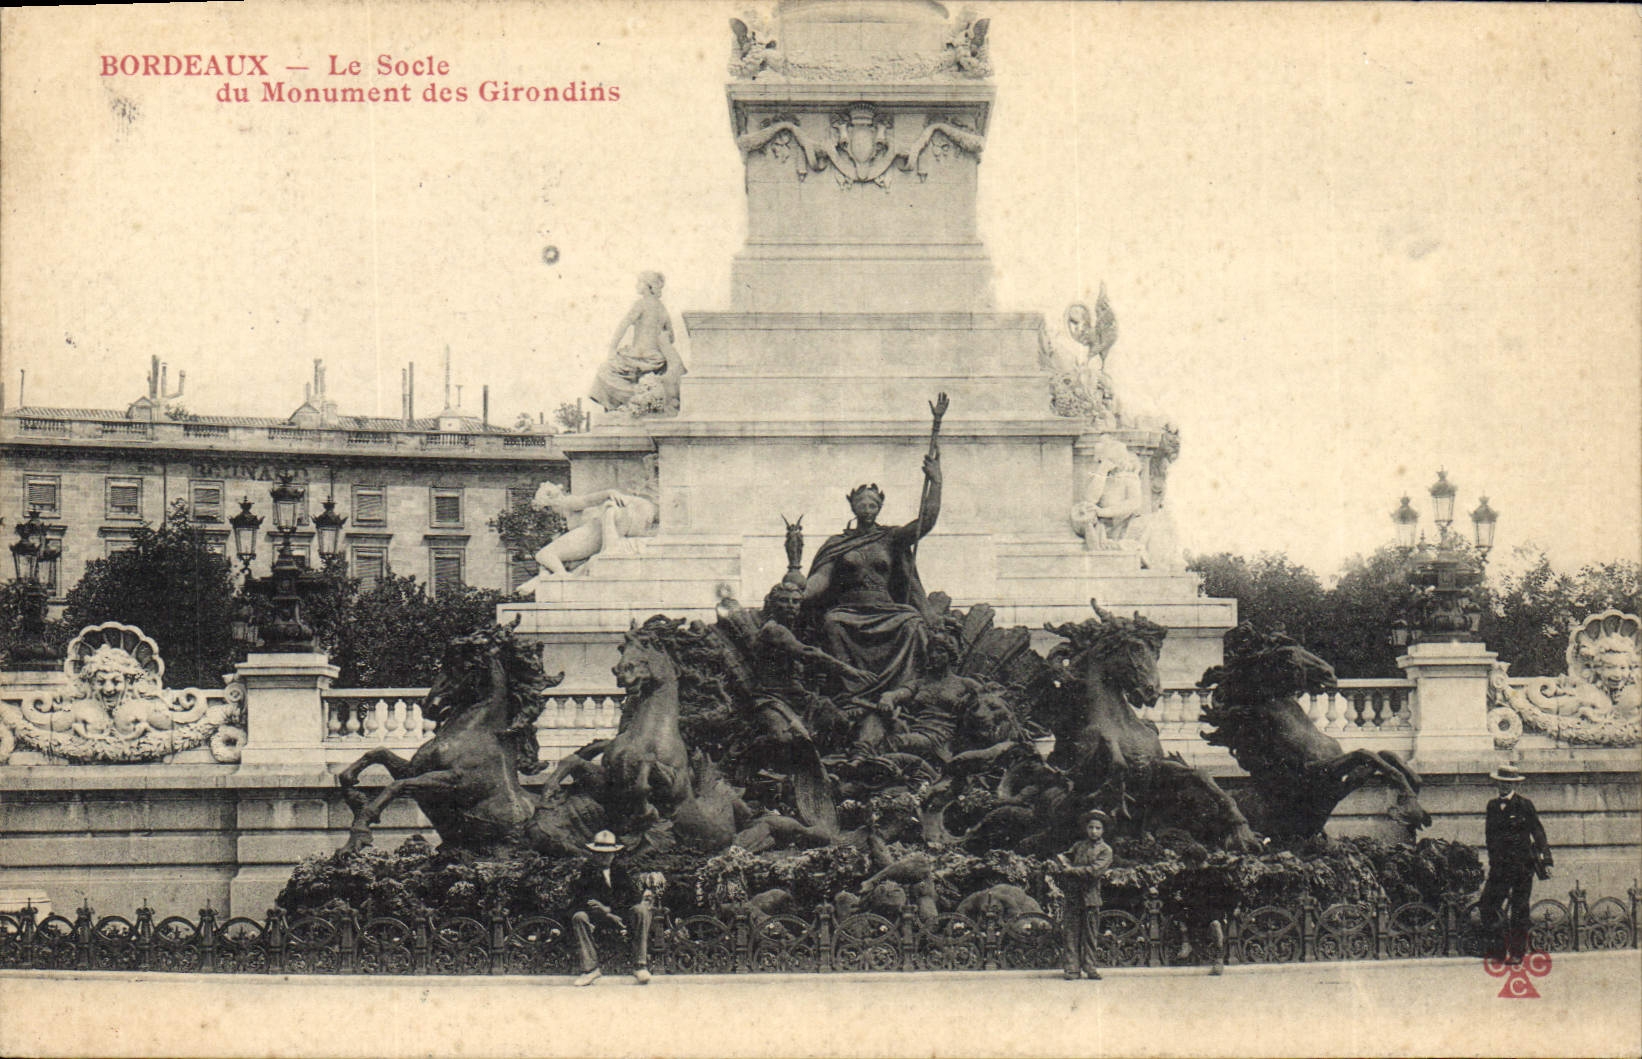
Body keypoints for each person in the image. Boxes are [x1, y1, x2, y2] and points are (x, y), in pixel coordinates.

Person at [801, 447, 942, 705]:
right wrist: (802, 590)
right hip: (850, 611)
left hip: (886, 609)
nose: (867, 507)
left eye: (873, 504)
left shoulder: (891, 538)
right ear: (852, 506)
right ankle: (852, 692)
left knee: (912, 623)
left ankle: (904, 692)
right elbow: (822, 578)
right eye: (862, 503)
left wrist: (936, 481)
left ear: (880, 508)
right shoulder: (838, 543)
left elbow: (927, 521)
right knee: (832, 623)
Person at [1479, 765, 1553, 964]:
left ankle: (1518, 953)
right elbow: (1489, 836)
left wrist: (1546, 859)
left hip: (1521, 867)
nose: (1503, 786)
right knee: (1487, 905)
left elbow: (1538, 832)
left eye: (1508, 783)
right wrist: (1493, 860)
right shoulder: (1492, 806)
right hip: (1499, 868)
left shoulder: (1524, 805)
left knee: (1519, 910)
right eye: (1501, 782)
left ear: (1514, 784)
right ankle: (1498, 950)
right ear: (1496, 783)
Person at [589, 271, 687, 415]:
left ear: (648, 286)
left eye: (639, 282)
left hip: (637, 357)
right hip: (657, 359)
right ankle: (642, 398)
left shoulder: (641, 304)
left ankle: (631, 401)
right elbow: (671, 337)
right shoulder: (662, 308)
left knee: (603, 373)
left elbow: (623, 325)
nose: (637, 285)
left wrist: (612, 348)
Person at [569, 830, 657, 986]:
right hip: (596, 918)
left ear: (614, 854)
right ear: (594, 854)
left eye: (609, 853)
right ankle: (590, 969)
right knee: (579, 917)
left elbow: (633, 898)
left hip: (620, 915)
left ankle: (640, 965)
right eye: (600, 853)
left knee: (641, 910)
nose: (605, 857)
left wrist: (610, 910)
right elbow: (581, 900)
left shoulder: (619, 871)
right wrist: (604, 913)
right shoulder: (587, 872)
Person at [1054, 808, 1114, 981]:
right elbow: (1066, 857)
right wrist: (1061, 862)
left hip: (1091, 896)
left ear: (1103, 830)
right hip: (1074, 895)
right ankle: (1072, 968)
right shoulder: (1079, 846)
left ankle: (1090, 966)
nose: (1094, 831)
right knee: (1071, 932)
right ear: (1086, 829)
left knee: (1090, 933)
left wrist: (1071, 870)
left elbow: (1094, 871)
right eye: (1091, 827)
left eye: (1098, 828)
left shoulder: (1106, 850)